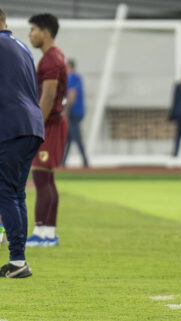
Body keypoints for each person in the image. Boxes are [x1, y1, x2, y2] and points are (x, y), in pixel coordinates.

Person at [0, 8, 44, 277]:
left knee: (6, 192)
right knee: (15, 193)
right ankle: (18, 260)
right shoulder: (21, 47)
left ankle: (18, 258)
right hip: (31, 126)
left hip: (11, 127)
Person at [25, 13, 68, 248]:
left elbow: (49, 95)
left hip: (49, 124)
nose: (30, 35)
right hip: (53, 122)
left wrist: (36, 125)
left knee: (41, 177)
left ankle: (43, 232)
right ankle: (47, 232)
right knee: (46, 178)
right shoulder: (54, 56)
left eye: (33, 30)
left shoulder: (51, 59)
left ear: (46, 32)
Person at [62, 58, 89, 167]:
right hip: (79, 111)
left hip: (74, 113)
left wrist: (66, 109)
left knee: (75, 137)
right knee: (68, 137)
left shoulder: (72, 77)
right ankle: (62, 162)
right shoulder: (78, 78)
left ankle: (85, 161)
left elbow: (72, 94)